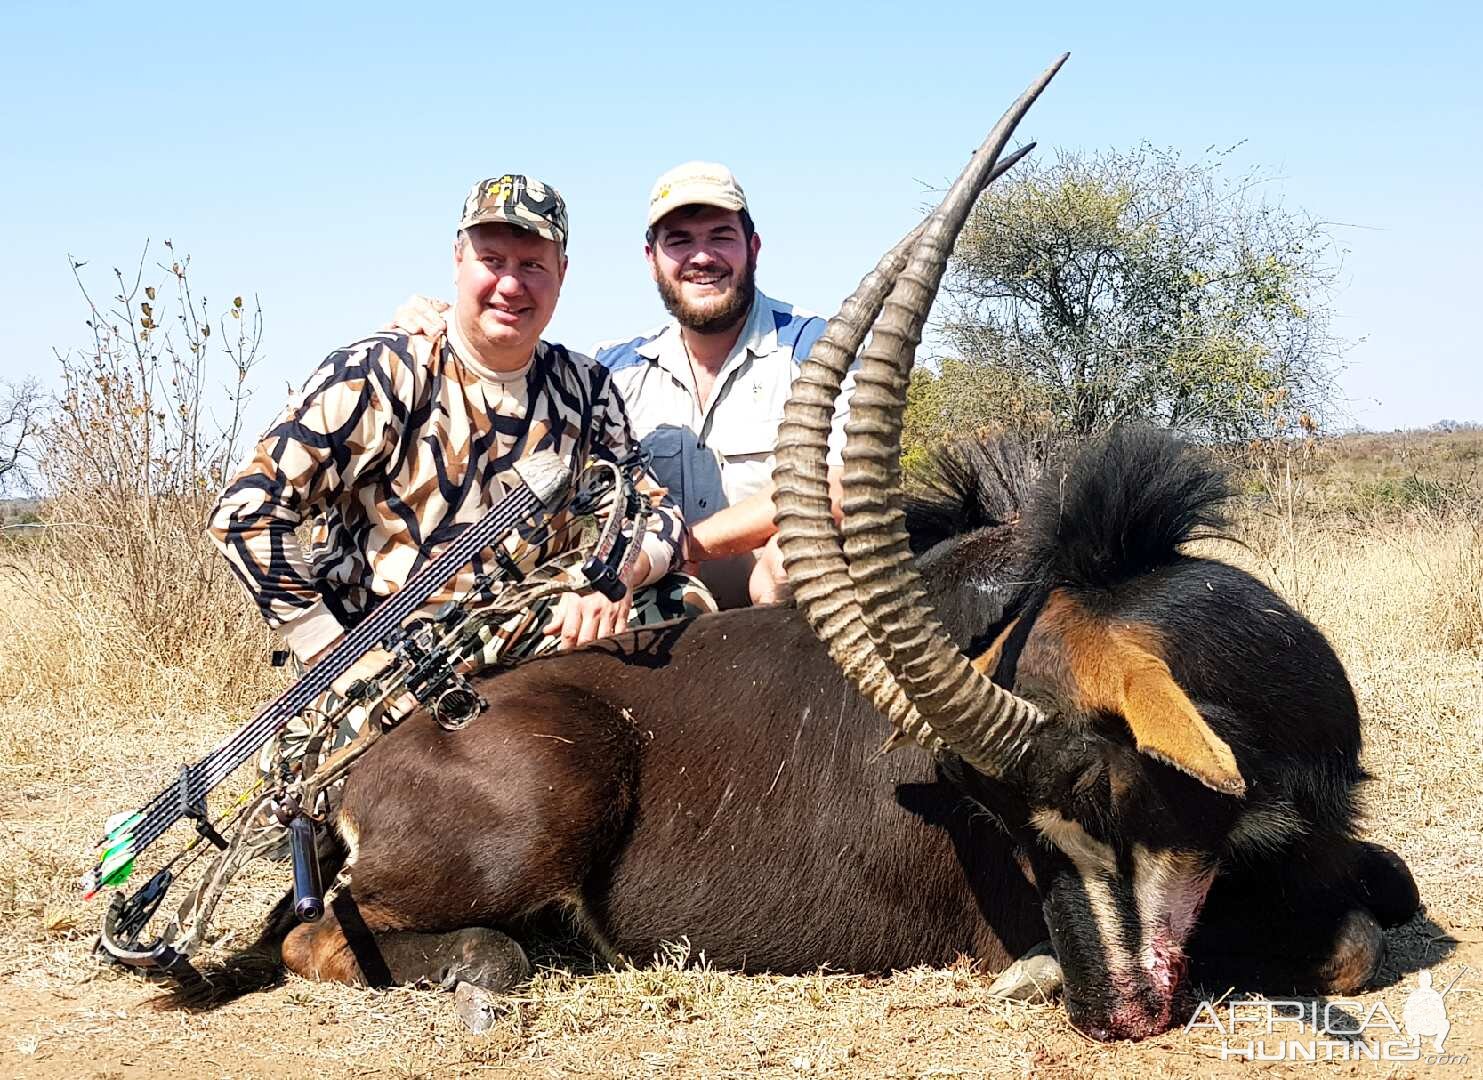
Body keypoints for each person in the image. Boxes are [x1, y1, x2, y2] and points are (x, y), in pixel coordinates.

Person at [210, 174, 701, 705]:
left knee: (680, 605)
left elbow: (655, 514)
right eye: (493, 260)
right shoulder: (381, 373)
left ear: (562, 274)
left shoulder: (585, 386)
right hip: (389, 662)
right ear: (457, 261)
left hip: (528, 638)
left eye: (533, 265)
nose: (511, 286)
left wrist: (615, 572)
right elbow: (245, 512)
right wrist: (331, 656)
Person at [391, 162, 850, 609]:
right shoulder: (613, 370)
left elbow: (840, 487)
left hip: (782, 628)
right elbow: (511, 381)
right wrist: (440, 332)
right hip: (674, 615)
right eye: (680, 241)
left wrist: (681, 545)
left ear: (753, 247)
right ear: (652, 260)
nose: (702, 256)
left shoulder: (819, 349)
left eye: (721, 237)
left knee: (795, 558)